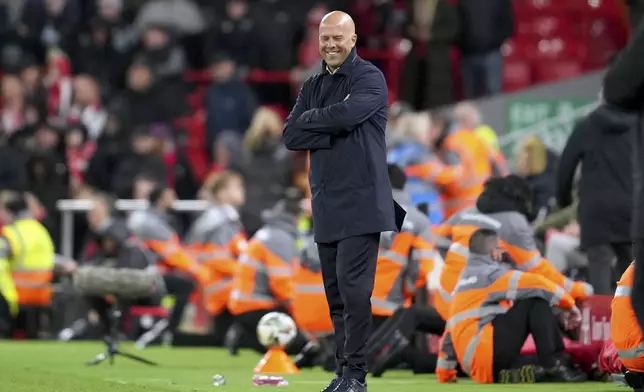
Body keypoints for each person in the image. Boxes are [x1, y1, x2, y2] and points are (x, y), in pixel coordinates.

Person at [282, 10, 405, 392]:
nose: (331, 44)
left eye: (338, 37)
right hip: (326, 203)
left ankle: (356, 375)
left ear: (353, 40)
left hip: (363, 202)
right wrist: (330, 125)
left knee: (354, 293)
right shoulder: (313, 82)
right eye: (325, 38)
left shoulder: (369, 77)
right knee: (335, 296)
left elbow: (349, 114)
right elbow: (290, 135)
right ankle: (341, 373)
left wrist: (315, 123)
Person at [437, 228, 587, 384]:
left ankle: (550, 366)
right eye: (500, 250)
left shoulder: (461, 283)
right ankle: (555, 365)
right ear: (494, 251)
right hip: (487, 353)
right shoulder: (491, 275)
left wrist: (445, 372)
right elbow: (537, 283)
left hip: (477, 366)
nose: (502, 255)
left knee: (536, 359)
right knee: (535, 300)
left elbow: (449, 331)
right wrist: (569, 305)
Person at [556, 103, 636, 294]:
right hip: (630, 206)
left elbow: (565, 166)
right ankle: (628, 319)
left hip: (595, 209)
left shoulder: (586, 125)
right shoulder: (637, 126)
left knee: (599, 265)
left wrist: (564, 200)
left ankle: (601, 318)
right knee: (630, 268)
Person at [127, 182, 209, 348]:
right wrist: (198, 269)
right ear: (161, 200)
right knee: (186, 286)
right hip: (150, 275)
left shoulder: (146, 218)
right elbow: (172, 254)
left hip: (142, 272)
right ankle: (167, 330)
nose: (175, 200)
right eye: (171, 196)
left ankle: (167, 328)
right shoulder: (153, 224)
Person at [602, 17, 644, 343]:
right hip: (625, 209)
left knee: (616, 274)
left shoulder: (594, 127)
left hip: (621, 214)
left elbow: (616, 87)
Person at [227, 189, 306, 354]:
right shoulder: (280, 239)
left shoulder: (270, 234)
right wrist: (300, 314)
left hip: (247, 307)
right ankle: (248, 337)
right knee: (303, 347)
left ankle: (245, 335)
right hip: (258, 307)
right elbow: (281, 285)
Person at [184, 171, 247, 346]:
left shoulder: (220, 218)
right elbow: (217, 258)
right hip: (220, 286)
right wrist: (248, 270)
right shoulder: (220, 221)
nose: (242, 191)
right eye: (237, 187)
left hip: (215, 285)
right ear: (222, 193)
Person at [0, 191, 57, 338]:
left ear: (8, 211)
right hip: (42, 295)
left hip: (17, 295)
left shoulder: (11, 234)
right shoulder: (40, 230)